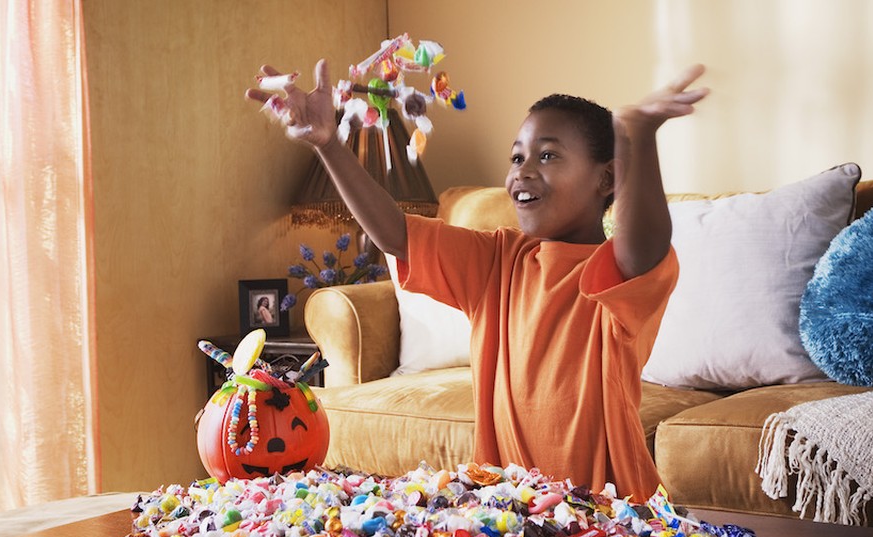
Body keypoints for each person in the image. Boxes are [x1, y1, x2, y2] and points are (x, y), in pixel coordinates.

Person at [247, 60, 707, 501]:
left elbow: (642, 243)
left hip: (612, 517)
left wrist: (636, 138)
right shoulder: (496, 260)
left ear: (607, 178)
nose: (522, 171)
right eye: (517, 157)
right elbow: (395, 235)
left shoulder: (617, 270)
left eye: (547, 155)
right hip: (507, 513)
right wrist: (328, 144)